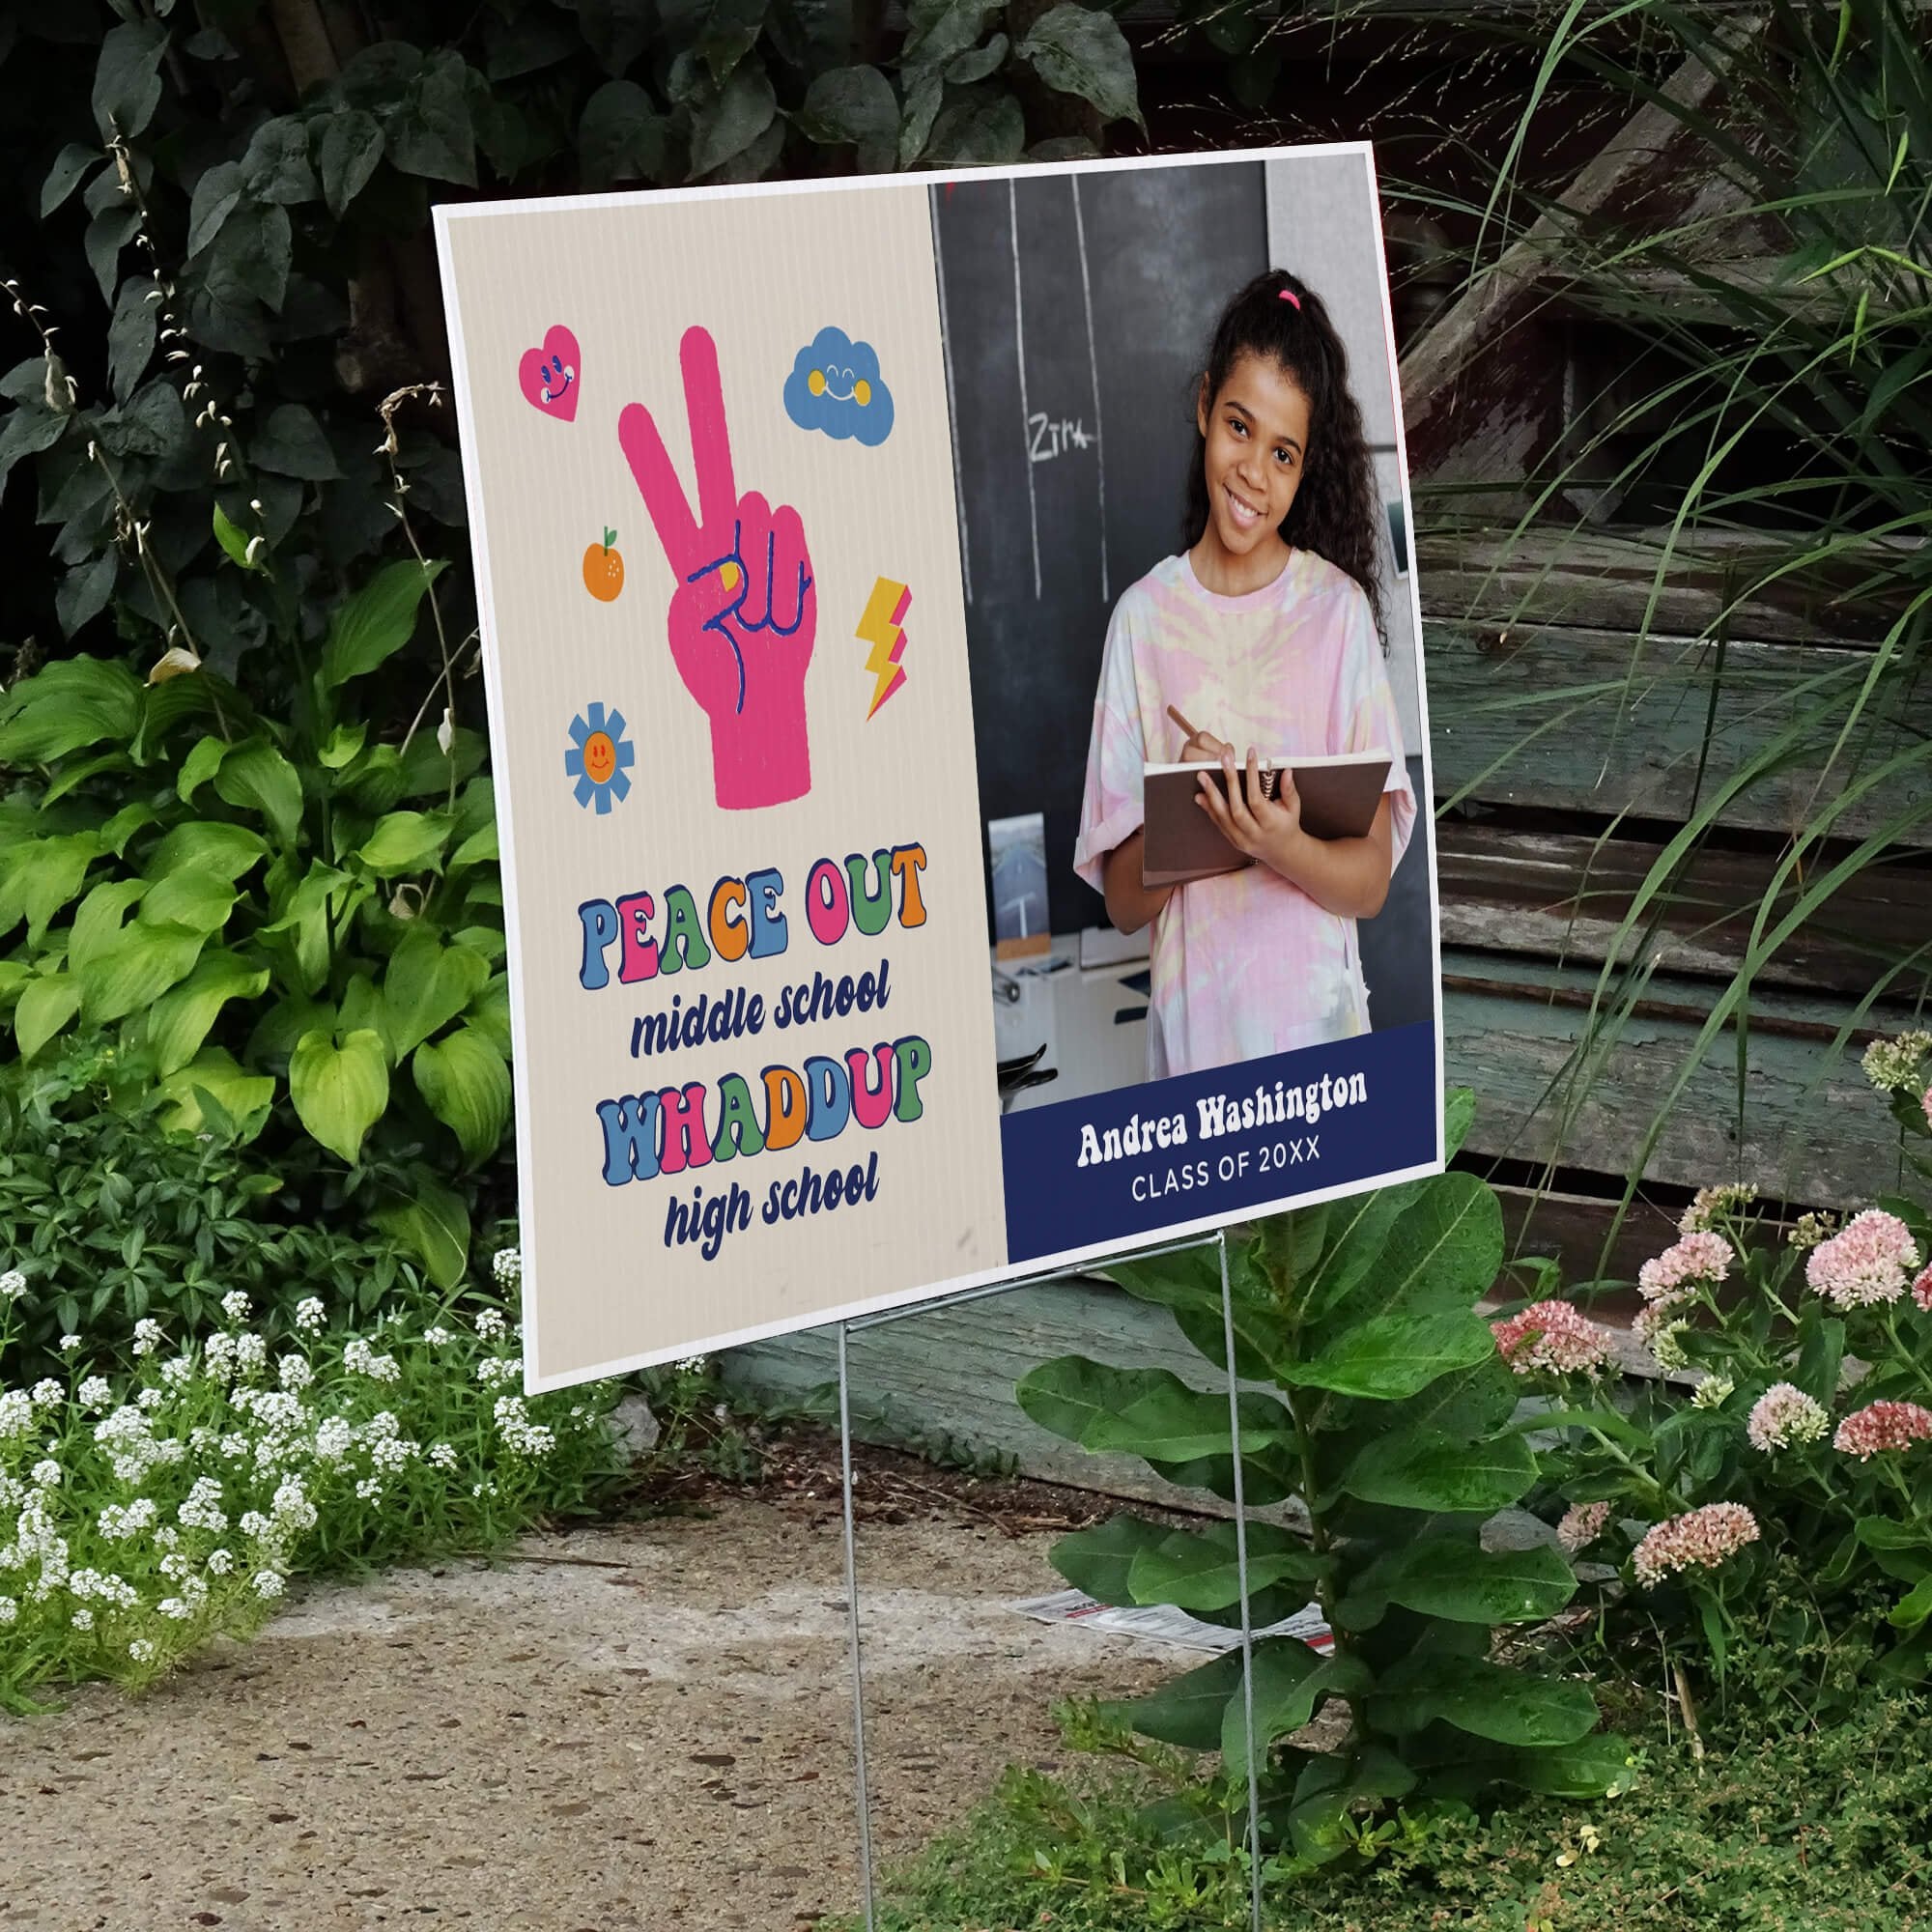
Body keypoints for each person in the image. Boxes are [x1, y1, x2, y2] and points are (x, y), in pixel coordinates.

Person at [1071, 269, 1416, 1082]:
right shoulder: (1142, 623)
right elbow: (1123, 905)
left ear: (1304, 470)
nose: (1254, 472)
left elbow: (1366, 885)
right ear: (1204, 408)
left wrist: (1279, 841)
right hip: (1195, 1067)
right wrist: (1191, 812)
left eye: (1284, 453)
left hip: (1322, 1052)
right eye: (1238, 426)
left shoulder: (1336, 616)